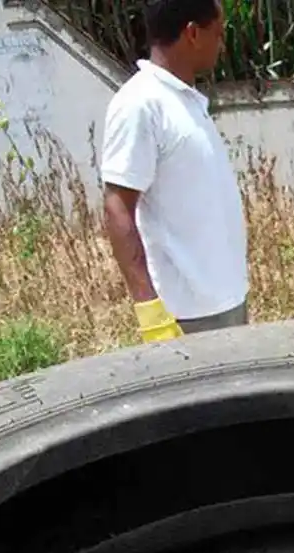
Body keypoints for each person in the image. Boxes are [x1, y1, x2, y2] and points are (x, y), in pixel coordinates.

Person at [101, 0, 248, 343]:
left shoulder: (185, 101)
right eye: (218, 34)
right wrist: (148, 308)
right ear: (193, 33)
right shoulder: (140, 104)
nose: (222, 45)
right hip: (186, 315)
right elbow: (118, 206)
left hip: (225, 300)